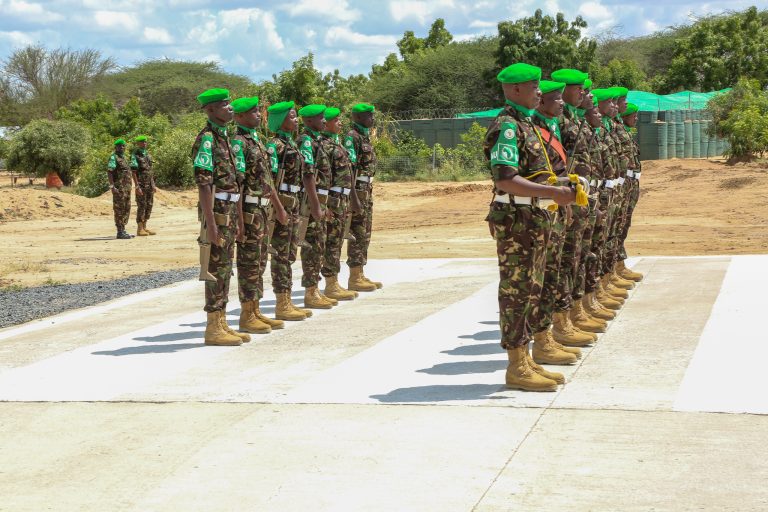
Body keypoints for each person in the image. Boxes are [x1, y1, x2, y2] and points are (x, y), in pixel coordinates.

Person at [483, 63, 576, 392]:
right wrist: (553, 193)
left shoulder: (530, 124)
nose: (540, 91)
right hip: (518, 222)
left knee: (535, 289)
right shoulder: (508, 126)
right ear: (515, 90)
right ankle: (517, 366)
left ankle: (533, 353)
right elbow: (505, 178)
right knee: (517, 293)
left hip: (537, 218)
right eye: (533, 86)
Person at [529, 80, 590, 363]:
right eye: (558, 98)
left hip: (560, 204)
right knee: (541, 277)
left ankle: (563, 322)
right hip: (539, 209)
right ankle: (548, 334)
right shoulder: (527, 127)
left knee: (562, 265)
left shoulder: (553, 125)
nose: (566, 102)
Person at [191, 88, 250, 346]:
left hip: (229, 211)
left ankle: (222, 322)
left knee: (226, 268)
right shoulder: (207, 140)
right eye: (224, 105)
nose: (230, 108)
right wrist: (211, 224)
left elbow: (235, 186)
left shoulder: (225, 138)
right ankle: (213, 327)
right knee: (215, 268)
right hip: (217, 212)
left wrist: (238, 218)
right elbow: (204, 185)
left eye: (230, 104)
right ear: (210, 110)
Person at [230, 96, 289, 334]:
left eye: (258, 111)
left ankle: (255, 311)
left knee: (259, 261)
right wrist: (238, 220)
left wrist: (277, 206)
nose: (258, 115)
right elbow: (238, 184)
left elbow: (267, 181)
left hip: (262, 208)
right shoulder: (238, 143)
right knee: (248, 263)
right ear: (240, 116)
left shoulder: (256, 141)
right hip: (248, 209)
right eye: (253, 112)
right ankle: (246, 314)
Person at [267, 101, 314, 321]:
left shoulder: (292, 144)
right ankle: (281, 303)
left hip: (293, 201)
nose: (296, 120)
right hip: (282, 203)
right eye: (292, 116)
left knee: (289, 254)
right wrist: (278, 208)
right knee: (280, 254)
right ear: (280, 121)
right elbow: (269, 182)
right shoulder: (275, 146)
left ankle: (287, 300)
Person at [297, 104, 337, 309]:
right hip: (311, 203)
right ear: (309, 121)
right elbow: (308, 175)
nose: (324, 120)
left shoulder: (316, 140)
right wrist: (315, 206)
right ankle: (310, 292)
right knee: (312, 247)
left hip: (320, 200)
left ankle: (315, 290)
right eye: (320, 118)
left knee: (319, 245)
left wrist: (324, 203)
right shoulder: (306, 142)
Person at [319, 107, 360, 301]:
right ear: (325, 123)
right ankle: (330, 284)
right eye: (336, 120)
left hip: (341, 199)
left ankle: (334, 282)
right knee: (331, 242)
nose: (340, 123)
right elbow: (322, 178)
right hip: (332, 200)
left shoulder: (336, 144)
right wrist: (324, 204)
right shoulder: (325, 146)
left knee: (336, 241)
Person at [346, 103, 381, 292]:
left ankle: (360, 273)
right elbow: (350, 170)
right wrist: (353, 198)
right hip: (358, 190)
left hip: (366, 189)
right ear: (358, 117)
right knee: (357, 232)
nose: (372, 119)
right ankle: (354, 276)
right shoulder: (353, 138)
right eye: (369, 116)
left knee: (365, 233)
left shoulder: (364, 136)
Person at [617, 102, 644, 282]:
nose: (635, 119)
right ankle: (615, 269)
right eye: (633, 115)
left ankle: (618, 267)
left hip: (630, 182)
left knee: (622, 226)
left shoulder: (624, 131)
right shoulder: (617, 130)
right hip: (620, 183)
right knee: (616, 227)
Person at [107, 138, 134, 240]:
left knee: (126, 208)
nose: (122, 147)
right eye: (119, 146)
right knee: (119, 209)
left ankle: (123, 230)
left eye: (123, 146)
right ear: (116, 147)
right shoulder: (114, 158)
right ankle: (119, 231)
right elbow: (110, 172)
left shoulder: (124, 158)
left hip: (126, 189)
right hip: (119, 189)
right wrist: (112, 186)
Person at [131, 135, 157, 236]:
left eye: (145, 142)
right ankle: (139, 229)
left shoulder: (147, 155)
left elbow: (150, 171)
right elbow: (133, 172)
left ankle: (145, 227)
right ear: (138, 144)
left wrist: (153, 184)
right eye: (142, 142)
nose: (144, 143)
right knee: (141, 205)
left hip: (149, 185)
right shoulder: (135, 155)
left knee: (149, 205)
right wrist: (137, 186)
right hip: (141, 185)